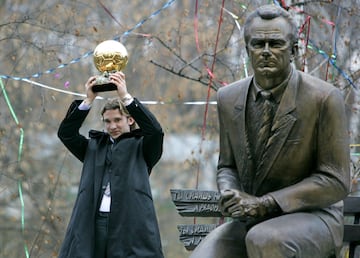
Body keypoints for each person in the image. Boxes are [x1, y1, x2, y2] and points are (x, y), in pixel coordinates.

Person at [190, 4, 350, 258]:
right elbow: (227, 166)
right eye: (258, 44)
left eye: (275, 44)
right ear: (247, 50)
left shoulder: (324, 98)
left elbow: (336, 181)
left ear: (294, 50)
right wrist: (229, 192)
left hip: (314, 217)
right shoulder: (228, 98)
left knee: (264, 241)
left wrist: (266, 203)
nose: (266, 52)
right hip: (251, 222)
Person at [57, 71, 164, 258]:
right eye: (107, 121)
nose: (112, 126)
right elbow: (66, 134)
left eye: (117, 120)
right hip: (93, 225)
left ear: (130, 120)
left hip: (129, 227)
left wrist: (125, 96)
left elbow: (155, 131)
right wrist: (88, 100)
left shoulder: (143, 148)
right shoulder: (94, 147)